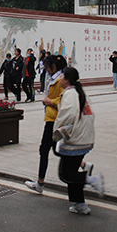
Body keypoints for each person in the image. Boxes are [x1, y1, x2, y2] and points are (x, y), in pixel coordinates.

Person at [53, 66, 104, 214]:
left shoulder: (70, 94)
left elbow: (67, 116)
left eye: (62, 76)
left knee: (66, 174)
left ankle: (93, 180)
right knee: (72, 172)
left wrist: (56, 134)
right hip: (84, 138)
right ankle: (81, 204)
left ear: (67, 80)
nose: (60, 78)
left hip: (75, 141)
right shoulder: (79, 92)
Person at [25, 54, 70, 194]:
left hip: (55, 120)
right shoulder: (54, 78)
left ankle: (40, 183)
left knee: (45, 149)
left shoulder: (61, 80)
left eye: (47, 67)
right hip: (52, 118)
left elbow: (65, 99)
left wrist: (50, 101)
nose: (46, 69)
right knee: (57, 149)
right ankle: (83, 165)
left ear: (54, 66)